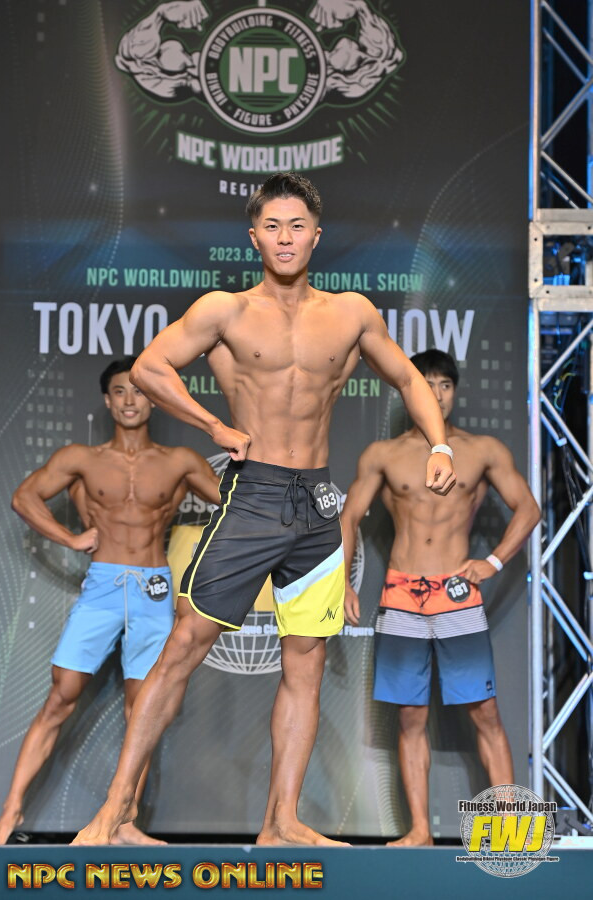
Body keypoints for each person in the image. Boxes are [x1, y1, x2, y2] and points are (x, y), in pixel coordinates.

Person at [71, 172, 455, 848]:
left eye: (296, 226)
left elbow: (405, 377)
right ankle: (114, 813)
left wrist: (440, 443)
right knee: (183, 646)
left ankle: (282, 822)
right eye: (272, 226)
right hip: (253, 498)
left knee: (305, 663)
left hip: (316, 504)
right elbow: (152, 367)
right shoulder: (225, 310)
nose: (285, 237)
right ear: (253, 237)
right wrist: (213, 426)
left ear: (316, 235)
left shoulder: (352, 313)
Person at [0, 358, 220, 846]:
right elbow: (24, 497)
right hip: (103, 586)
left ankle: (124, 824)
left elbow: (234, 505)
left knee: (144, 709)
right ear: (107, 400)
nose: (130, 400)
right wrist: (70, 539)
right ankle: (9, 813)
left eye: (139, 392)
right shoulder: (81, 458)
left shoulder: (180, 461)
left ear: (153, 400)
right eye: (120, 391)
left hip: (155, 588)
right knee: (61, 696)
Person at [341, 349, 540, 846]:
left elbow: (528, 508)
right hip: (402, 596)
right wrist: (341, 581)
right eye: (425, 384)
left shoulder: (482, 450)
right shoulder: (383, 455)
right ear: (409, 393)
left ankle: (510, 829)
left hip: (457, 595)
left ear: (455, 391)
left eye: (445, 385)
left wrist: (493, 561)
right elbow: (348, 517)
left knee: (485, 713)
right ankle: (420, 832)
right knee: (411, 717)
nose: (436, 394)